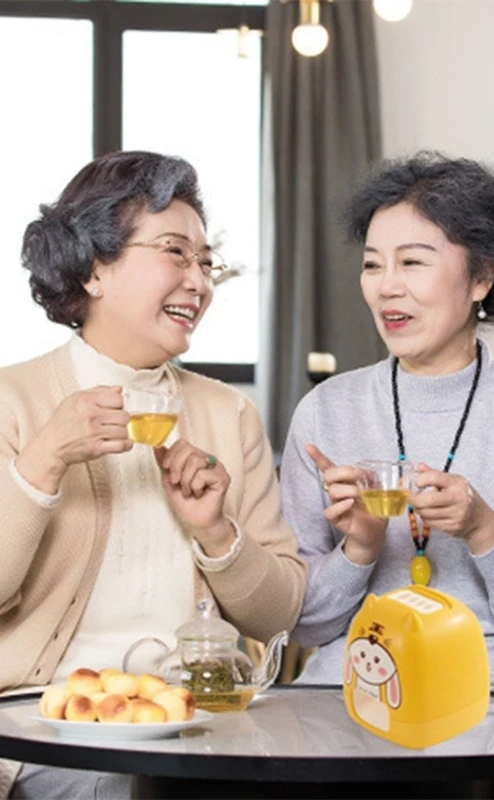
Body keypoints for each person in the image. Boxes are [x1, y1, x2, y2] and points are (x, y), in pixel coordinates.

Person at [0, 150, 306, 799]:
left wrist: (217, 534)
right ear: (93, 268)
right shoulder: (14, 402)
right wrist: (41, 463)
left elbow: (279, 616)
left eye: (205, 262)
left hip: (198, 722)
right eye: (174, 253)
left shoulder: (228, 414)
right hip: (46, 725)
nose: (199, 282)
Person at [280, 151, 494, 699]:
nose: (386, 287)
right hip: (359, 696)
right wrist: (360, 549)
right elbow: (304, 625)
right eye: (372, 265)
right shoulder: (325, 412)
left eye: (412, 262)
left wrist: (484, 530)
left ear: (482, 277)